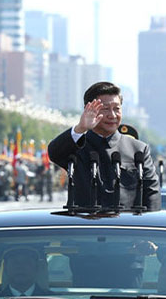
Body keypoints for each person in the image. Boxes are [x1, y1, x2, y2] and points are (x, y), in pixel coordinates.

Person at [48, 82, 160, 210]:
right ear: (89, 109)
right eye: (105, 109)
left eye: (117, 109)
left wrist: (147, 224)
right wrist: (80, 128)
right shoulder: (76, 146)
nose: (112, 115)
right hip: (85, 225)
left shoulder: (138, 150)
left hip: (126, 226)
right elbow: (54, 153)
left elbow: (152, 193)